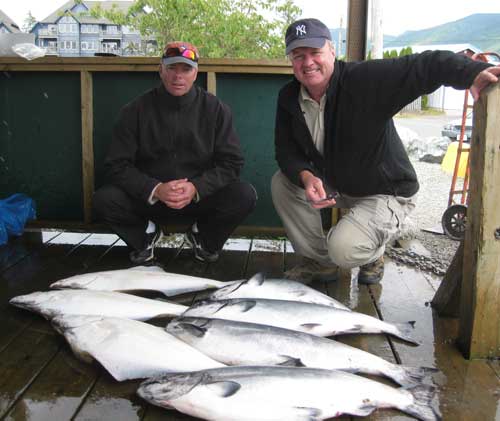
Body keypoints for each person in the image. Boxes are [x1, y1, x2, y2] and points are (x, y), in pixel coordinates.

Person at [272, 18, 500, 284]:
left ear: (332, 51)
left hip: (386, 191)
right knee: (282, 183)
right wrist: (306, 176)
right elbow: (285, 151)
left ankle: (373, 253)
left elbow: (424, 65)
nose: (307, 62)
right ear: (291, 59)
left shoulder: (364, 80)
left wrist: (470, 72)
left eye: (315, 53)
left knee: (343, 249)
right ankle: (321, 263)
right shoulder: (288, 97)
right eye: (299, 55)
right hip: (338, 186)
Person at [93, 41, 257, 265]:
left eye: (186, 69)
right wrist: (155, 189)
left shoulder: (216, 109)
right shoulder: (134, 110)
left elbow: (232, 163)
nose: (178, 76)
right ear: (161, 70)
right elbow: (116, 165)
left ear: (195, 73)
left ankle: (203, 238)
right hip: (149, 202)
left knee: (245, 195)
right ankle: (145, 236)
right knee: (104, 199)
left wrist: (196, 187)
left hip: (199, 201)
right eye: (172, 68)